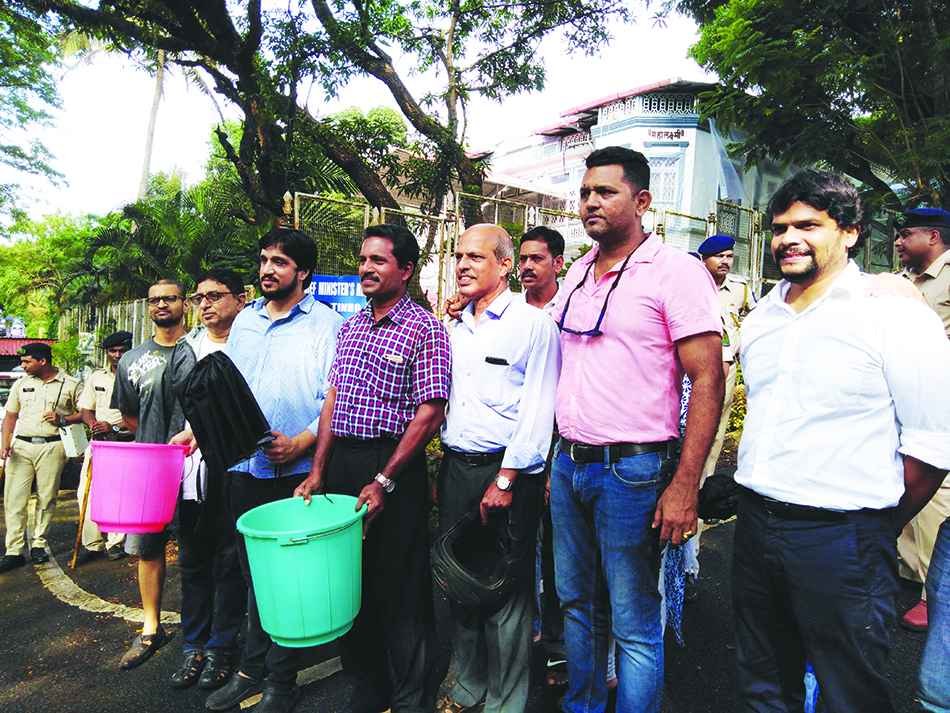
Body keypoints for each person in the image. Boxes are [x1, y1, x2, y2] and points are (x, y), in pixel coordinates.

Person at [732, 170, 950, 712]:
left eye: (809, 224)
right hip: (755, 527)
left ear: (850, 232)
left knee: (848, 691)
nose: (789, 238)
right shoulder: (762, 317)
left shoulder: (893, 314)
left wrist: (876, 527)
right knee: (762, 684)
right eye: (780, 226)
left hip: (844, 538)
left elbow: (933, 443)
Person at [549, 146, 724, 713]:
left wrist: (685, 485)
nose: (590, 203)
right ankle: (583, 706)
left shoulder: (676, 272)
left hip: (633, 470)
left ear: (642, 200)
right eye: (584, 193)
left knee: (633, 620)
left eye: (606, 192)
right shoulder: (577, 272)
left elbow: (708, 380)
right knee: (576, 603)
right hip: (569, 463)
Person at [295, 224, 451, 713]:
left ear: (405, 271)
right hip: (343, 462)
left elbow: (430, 411)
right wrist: (319, 469)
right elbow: (333, 400)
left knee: (400, 587)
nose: (366, 268)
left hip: (393, 468)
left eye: (378, 260)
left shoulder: (425, 327)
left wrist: (384, 480)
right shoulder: (351, 326)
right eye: (363, 259)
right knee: (348, 581)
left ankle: (411, 697)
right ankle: (369, 687)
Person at [205, 228, 342, 713]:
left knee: (287, 578)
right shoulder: (243, 323)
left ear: (303, 272)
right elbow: (233, 391)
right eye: (263, 260)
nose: (267, 269)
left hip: (297, 474)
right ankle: (250, 669)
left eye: (279, 262)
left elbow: (334, 397)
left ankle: (282, 681)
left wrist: (302, 442)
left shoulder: (329, 325)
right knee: (252, 573)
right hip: (245, 469)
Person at [438, 223, 561, 713]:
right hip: (455, 468)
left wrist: (507, 478)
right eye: (459, 255)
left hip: (506, 474)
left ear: (505, 264)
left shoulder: (534, 327)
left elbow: (538, 410)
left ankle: (505, 701)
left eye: (476, 256)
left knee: (504, 591)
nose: (463, 264)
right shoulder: (451, 327)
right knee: (458, 581)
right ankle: (468, 686)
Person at [169, 269, 248, 691]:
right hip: (188, 474)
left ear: (240, 298)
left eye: (214, 296)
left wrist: (206, 432)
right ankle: (193, 646)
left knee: (231, 560)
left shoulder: (251, 344)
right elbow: (170, 412)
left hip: (235, 470)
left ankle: (221, 646)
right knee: (193, 562)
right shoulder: (185, 349)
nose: (204, 304)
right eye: (198, 298)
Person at [112, 280, 196, 669]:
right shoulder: (130, 360)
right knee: (148, 548)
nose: (161, 304)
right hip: (149, 467)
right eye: (154, 300)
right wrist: (154, 439)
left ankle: (203, 634)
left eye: (169, 298)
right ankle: (150, 626)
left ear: (184, 303)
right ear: (148, 308)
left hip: (197, 466)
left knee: (199, 550)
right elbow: (129, 415)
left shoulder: (199, 347)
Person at [894, 208, 950, 632]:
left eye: (906, 234)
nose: (897, 242)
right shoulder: (907, 282)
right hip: (905, 397)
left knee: (938, 491)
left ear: (933, 237)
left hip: (941, 399)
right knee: (904, 477)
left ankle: (936, 597)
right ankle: (912, 572)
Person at [0, 343, 82, 573]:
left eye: (27, 361)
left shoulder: (71, 383)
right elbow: (10, 416)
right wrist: (5, 443)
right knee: (14, 498)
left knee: (47, 496)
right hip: (22, 446)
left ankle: (38, 544)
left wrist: (63, 419)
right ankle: (14, 551)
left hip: (52, 445)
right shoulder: (21, 384)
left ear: (42, 361)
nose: (23, 365)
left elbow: (84, 414)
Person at [74, 330, 134, 566]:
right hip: (99, 443)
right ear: (106, 353)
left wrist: (114, 428)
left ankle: (115, 543)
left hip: (126, 442)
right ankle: (93, 544)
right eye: (112, 351)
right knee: (86, 494)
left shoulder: (136, 375)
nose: (117, 355)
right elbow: (86, 409)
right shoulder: (96, 377)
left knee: (119, 495)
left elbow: (140, 414)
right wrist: (93, 425)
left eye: (122, 350)